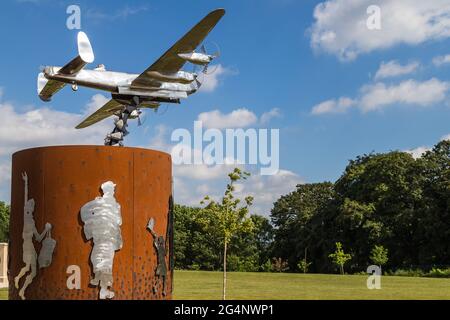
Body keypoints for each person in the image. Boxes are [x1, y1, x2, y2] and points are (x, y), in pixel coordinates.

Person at [80, 181, 122, 300]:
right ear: (110, 190)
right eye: (112, 189)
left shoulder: (99, 204)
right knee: (103, 261)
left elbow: (85, 211)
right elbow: (119, 221)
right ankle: (103, 288)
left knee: (99, 259)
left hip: (103, 239)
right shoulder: (110, 205)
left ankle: (100, 283)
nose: (113, 191)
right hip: (106, 239)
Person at [14, 172, 51, 300]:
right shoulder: (26, 216)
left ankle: (22, 290)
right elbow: (25, 196)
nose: (31, 208)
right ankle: (18, 279)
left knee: (33, 271)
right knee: (29, 267)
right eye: (30, 206)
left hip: (31, 246)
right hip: (27, 246)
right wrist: (26, 182)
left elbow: (39, 239)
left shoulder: (32, 222)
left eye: (32, 207)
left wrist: (46, 230)